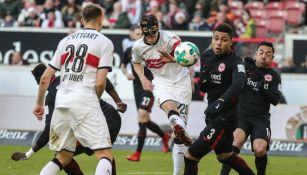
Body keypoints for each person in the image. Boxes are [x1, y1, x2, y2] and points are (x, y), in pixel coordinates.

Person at [32, 4, 115, 175]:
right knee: (104, 153)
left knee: (63, 156)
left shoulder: (65, 41)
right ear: (100, 19)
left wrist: (39, 104)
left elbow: (45, 78)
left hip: (61, 103)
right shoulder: (104, 42)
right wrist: (95, 100)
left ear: (82, 20)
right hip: (85, 100)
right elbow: (100, 83)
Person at [11, 63, 126, 175]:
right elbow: (100, 77)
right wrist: (118, 101)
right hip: (112, 116)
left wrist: (29, 153)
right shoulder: (70, 77)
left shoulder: (51, 96)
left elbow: (49, 130)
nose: (37, 83)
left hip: (100, 119)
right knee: (104, 153)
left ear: (41, 78)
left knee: (63, 156)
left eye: (37, 80)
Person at [183, 23, 255, 175]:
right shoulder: (206, 56)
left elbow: (238, 83)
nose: (219, 42)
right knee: (225, 156)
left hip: (225, 118)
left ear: (230, 42)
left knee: (190, 156)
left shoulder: (235, 62)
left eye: (223, 39)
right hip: (212, 114)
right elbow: (204, 87)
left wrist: (221, 102)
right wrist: (201, 81)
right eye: (216, 38)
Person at [132, 13, 192, 175]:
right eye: (148, 34)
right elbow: (136, 62)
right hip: (161, 81)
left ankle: (177, 125)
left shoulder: (171, 39)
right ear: (143, 31)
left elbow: (189, 59)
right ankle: (174, 120)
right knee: (168, 105)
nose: (151, 37)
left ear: (158, 28)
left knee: (179, 137)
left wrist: (172, 59)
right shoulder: (137, 46)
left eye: (153, 33)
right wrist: (143, 77)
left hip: (182, 81)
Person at [220, 41, 281, 175]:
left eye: (268, 54)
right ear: (256, 54)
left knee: (259, 149)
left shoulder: (274, 76)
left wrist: (264, 89)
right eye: (261, 53)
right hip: (241, 115)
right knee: (235, 143)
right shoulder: (244, 67)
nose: (264, 56)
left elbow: (276, 100)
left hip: (261, 119)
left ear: (272, 58)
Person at [120, 26, 171, 161]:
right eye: (136, 34)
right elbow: (122, 66)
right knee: (144, 120)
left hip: (150, 86)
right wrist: (127, 74)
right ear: (132, 36)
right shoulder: (128, 51)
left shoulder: (150, 49)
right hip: (136, 86)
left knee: (142, 115)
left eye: (140, 34)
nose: (138, 36)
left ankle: (137, 153)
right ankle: (164, 136)